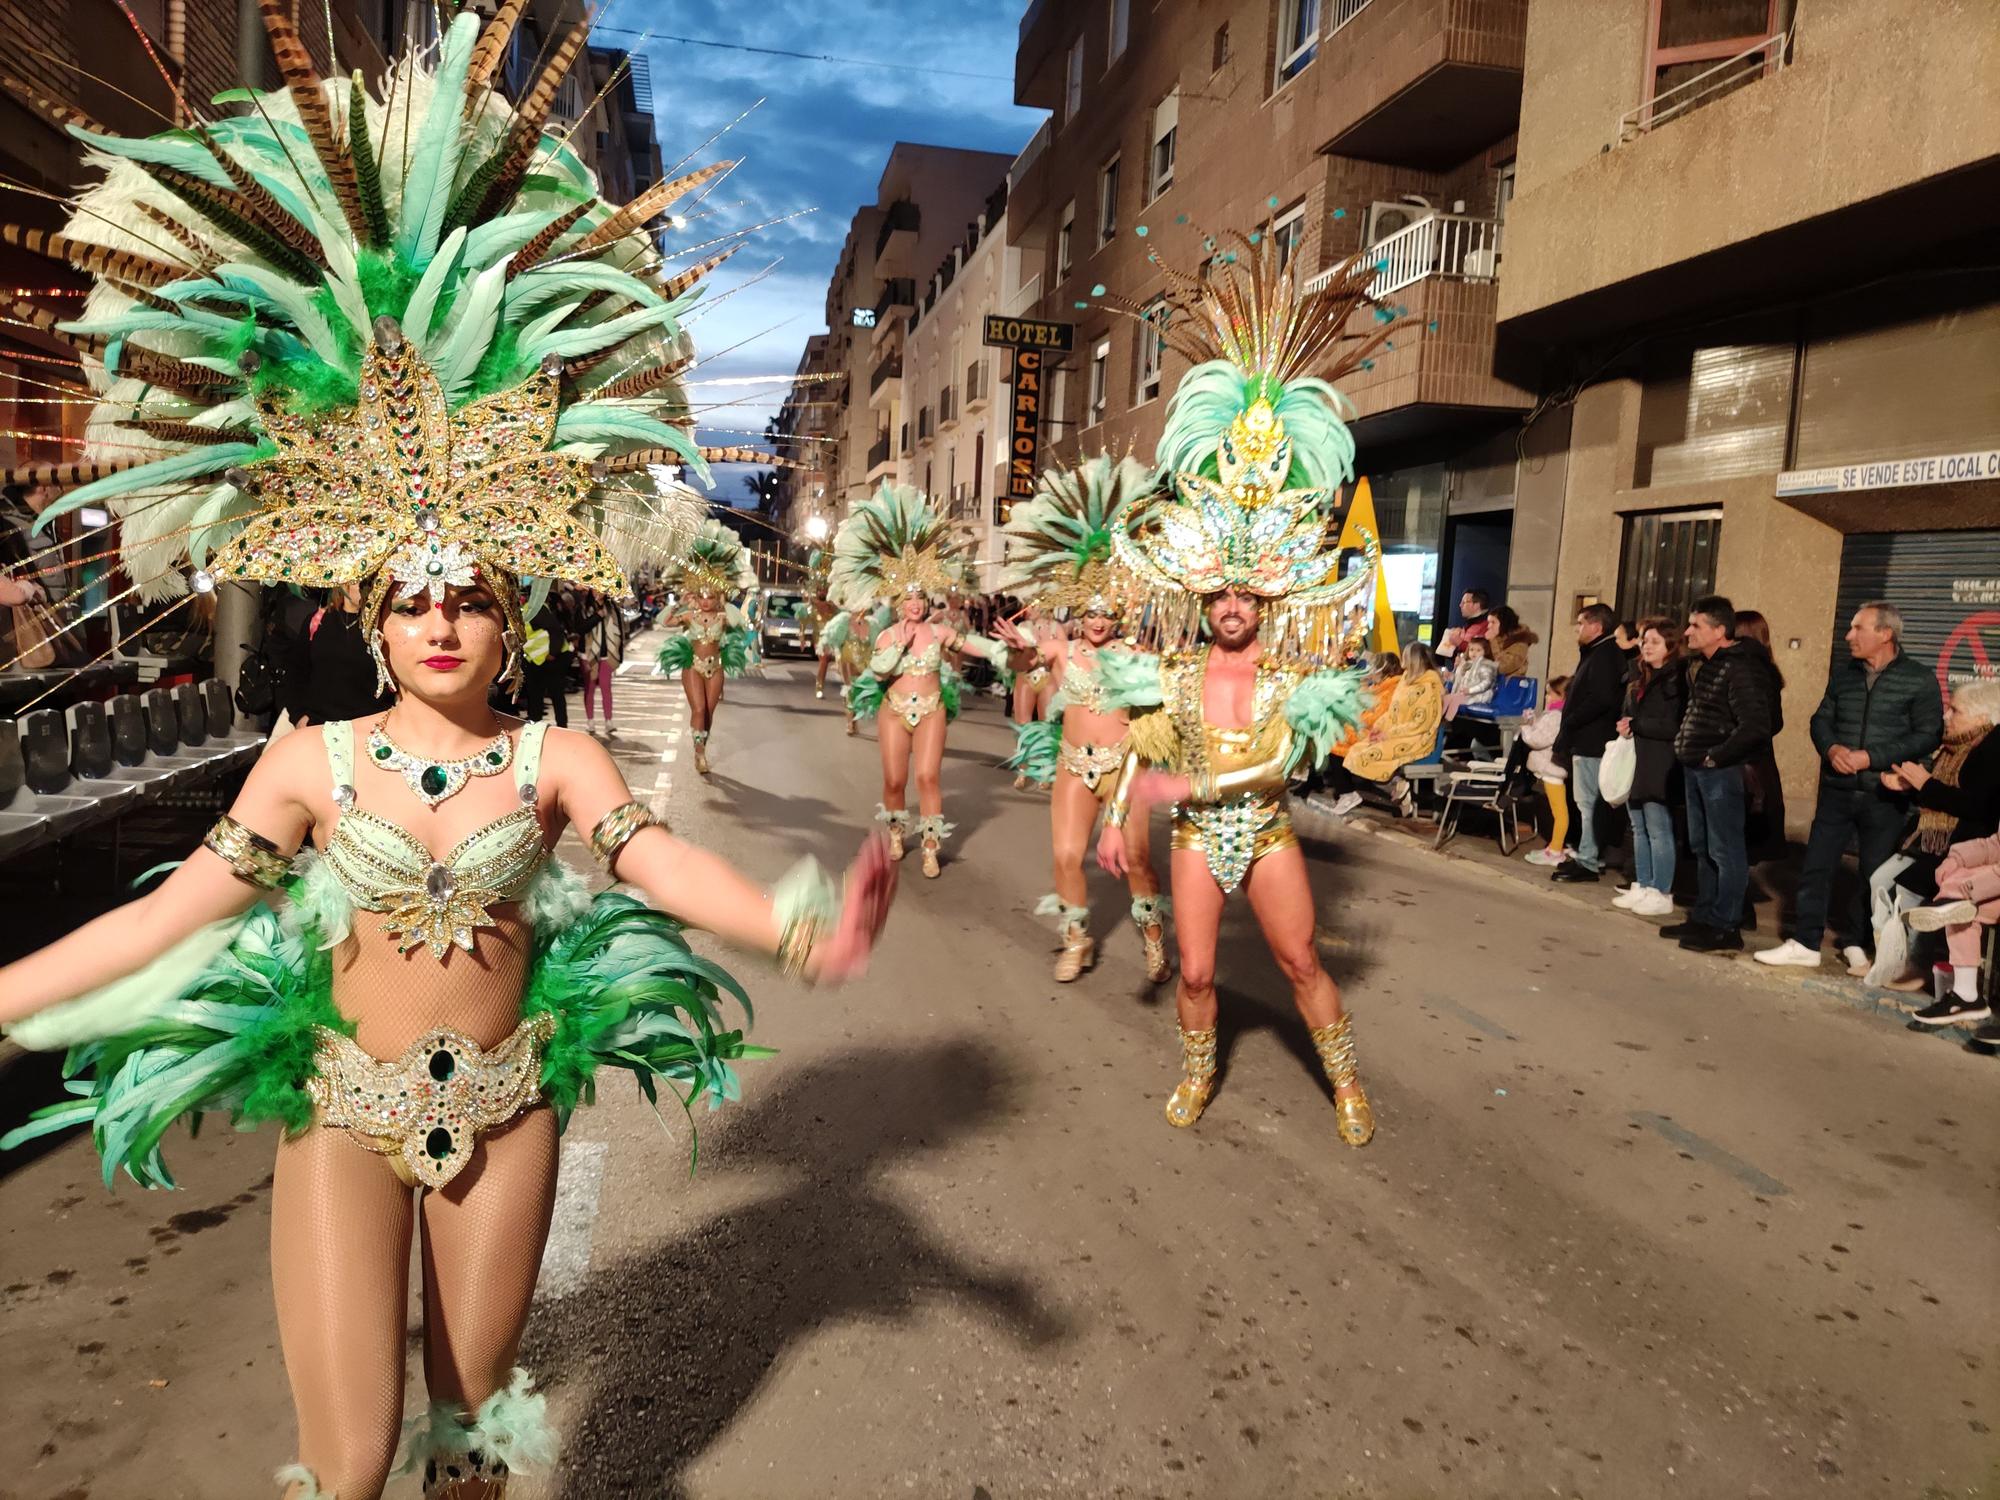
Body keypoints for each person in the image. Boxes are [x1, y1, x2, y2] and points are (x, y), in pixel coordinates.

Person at [0, 17, 899, 1498]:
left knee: (472, 1435)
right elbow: (168, 919)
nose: (437, 621)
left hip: (505, 1104)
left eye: (467, 596)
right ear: (368, 611)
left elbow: (657, 863)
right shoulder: (309, 763)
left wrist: (795, 923)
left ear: (512, 615)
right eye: (409, 597)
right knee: (348, 1462)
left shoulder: (553, 761)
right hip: (344, 1109)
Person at [1095, 230, 1382, 1143]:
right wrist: (1115, 820)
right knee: (1193, 974)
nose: (1229, 606)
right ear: (1201, 592)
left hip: (1263, 834)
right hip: (1189, 839)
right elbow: (1136, 761)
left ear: (1266, 592)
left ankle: (1344, 1083)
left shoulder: (1295, 676)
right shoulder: (1173, 672)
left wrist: (1211, 785)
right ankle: (1196, 1075)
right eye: (1216, 592)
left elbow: (1322, 750)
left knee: (1299, 960)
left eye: (1244, 592)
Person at [995, 454, 1170, 984]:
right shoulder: (1059, 648)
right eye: (1088, 612)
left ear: (1117, 612)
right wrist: (1014, 652)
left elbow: (1163, 701)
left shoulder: (1137, 655)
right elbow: (1023, 663)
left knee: (1137, 859)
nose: (1096, 621)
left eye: (1104, 613)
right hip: (1073, 765)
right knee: (1067, 855)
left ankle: (1154, 937)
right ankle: (1077, 938)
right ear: (1077, 611)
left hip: (1123, 771)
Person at [833, 483, 1007, 880]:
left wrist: (999, 651)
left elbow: (969, 644)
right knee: (895, 779)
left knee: (928, 777)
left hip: (931, 710)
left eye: (921, 598)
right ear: (898, 602)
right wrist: (901, 646)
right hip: (894, 711)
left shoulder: (938, 631)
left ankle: (931, 846)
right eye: (909, 598)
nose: (916, 603)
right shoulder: (887, 635)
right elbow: (878, 671)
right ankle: (896, 831)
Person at [1756, 601, 1942, 969]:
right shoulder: (1845, 675)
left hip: (1886, 794)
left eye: (1858, 628)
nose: (1848, 636)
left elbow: (1929, 734)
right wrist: (1832, 748)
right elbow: (1820, 719)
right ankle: (1806, 942)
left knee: (1874, 874)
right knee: (1816, 865)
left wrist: (1871, 757)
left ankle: (1857, 942)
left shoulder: (1919, 678)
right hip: (1837, 790)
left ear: (1885, 634)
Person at [1865, 680, 2000, 990]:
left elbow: (1976, 807)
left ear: (1982, 717)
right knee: (1880, 881)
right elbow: (1937, 800)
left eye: (1956, 710)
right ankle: (1888, 960)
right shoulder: (1952, 747)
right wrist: (1912, 788)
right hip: (1929, 840)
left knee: (1913, 891)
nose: (1946, 716)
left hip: (1965, 845)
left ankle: (1917, 965)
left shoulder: (1991, 750)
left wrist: (1925, 786)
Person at [1667, 596, 1777, 953]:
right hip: (1697, 769)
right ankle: (1705, 916)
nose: (1687, 631)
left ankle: (1726, 925)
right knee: (1702, 847)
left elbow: (1757, 725)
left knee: (1726, 850)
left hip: (1719, 773)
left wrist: (1717, 757)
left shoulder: (1740, 668)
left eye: (1695, 625)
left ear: (1719, 630)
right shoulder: (1708, 664)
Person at [656, 521, 758, 776]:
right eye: (701, 596)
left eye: (710, 596)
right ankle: (699, 754)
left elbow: (744, 625)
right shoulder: (689, 615)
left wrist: (734, 601)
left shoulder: (724, 616)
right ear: (695, 595)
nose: (705, 601)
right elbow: (664, 621)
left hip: (717, 667)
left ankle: (702, 742)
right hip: (693, 667)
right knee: (698, 709)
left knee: (709, 715)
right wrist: (679, 602)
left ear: (717, 596)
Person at [1612, 618, 1686, 917]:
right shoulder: (1639, 677)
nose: (1646, 646)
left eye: (1654, 641)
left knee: (1658, 828)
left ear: (1671, 645)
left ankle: (1661, 889)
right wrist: (1627, 724)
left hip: (1661, 761)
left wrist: (1638, 724)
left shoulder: (1677, 679)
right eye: (1644, 640)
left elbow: (1675, 724)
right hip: (1637, 757)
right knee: (1638, 826)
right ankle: (1642, 883)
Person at [1323, 641, 1445, 817]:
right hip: (1395, 733)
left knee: (1365, 752)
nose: (1402, 656)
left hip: (1415, 738)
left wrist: (1388, 733)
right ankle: (1396, 787)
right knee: (1358, 749)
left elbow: (1421, 723)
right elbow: (1392, 714)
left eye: (1406, 654)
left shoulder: (1428, 686)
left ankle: (1394, 785)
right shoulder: (1406, 681)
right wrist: (1379, 729)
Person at [1549, 602, 1624, 883]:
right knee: (1586, 802)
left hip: (1592, 740)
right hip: (1586, 739)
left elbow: (1602, 698)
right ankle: (1586, 855)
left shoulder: (1604, 655)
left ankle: (1589, 860)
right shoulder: (1596, 653)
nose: (1577, 629)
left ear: (1597, 626)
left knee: (1588, 803)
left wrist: (1572, 719)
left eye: (1581, 623)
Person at [1732, 608, 1789, 927]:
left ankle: (1738, 908)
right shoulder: (1768, 671)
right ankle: (1739, 905)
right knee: (1739, 841)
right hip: (1757, 766)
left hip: (1746, 768)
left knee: (1734, 839)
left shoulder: (1752, 673)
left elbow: (1768, 723)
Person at [280, 582, 397, 730]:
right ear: (344, 583)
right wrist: (299, 718)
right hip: (319, 727)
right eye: (360, 582)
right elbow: (295, 674)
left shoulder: (382, 627)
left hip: (369, 728)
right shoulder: (318, 621)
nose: (366, 589)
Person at [1518, 676, 1570, 865]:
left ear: (1561, 697)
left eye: (1550, 694)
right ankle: (1555, 846)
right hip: (1551, 767)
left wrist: (1526, 728)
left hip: (1551, 768)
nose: (1546, 697)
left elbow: (1537, 740)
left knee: (1559, 811)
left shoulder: (1555, 717)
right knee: (1558, 810)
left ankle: (1556, 849)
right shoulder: (1555, 715)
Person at [573, 592, 626, 738]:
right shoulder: (583, 607)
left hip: (608, 654)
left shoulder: (612, 607)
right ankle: (590, 721)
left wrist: (620, 655)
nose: (598, 591)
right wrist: (597, 616)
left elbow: (620, 630)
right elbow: (580, 628)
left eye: (601, 588)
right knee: (589, 688)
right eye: (595, 588)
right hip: (588, 654)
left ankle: (609, 721)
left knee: (606, 687)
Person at [1438, 587, 1492, 658]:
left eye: (1464, 602)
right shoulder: (1467, 625)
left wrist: (1460, 643)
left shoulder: (1486, 626)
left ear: (1476, 605)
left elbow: (1485, 652)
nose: (1460, 605)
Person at [1486, 604, 1538, 677]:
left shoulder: (1519, 642)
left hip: (1508, 684)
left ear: (1504, 623)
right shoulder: (1492, 637)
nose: (1489, 626)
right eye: (1489, 622)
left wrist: (1493, 642)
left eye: (1493, 622)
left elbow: (1503, 667)